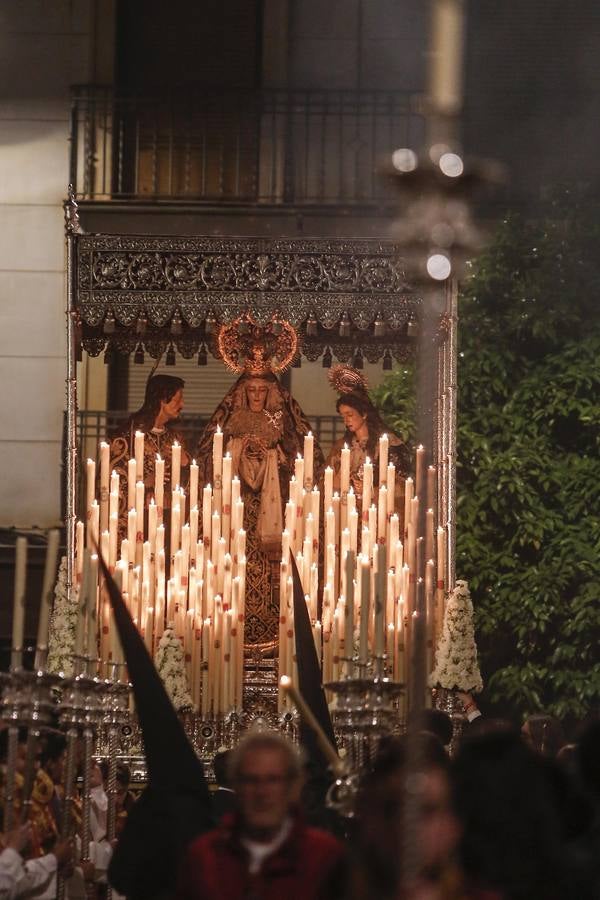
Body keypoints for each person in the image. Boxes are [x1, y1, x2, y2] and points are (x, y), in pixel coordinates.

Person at [197, 369, 323, 647]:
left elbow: (300, 457)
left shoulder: (281, 421)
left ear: (271, 393)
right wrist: (238, 449)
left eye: (261, 390)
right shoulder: (231, 420)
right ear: (242, 392)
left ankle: (272, 626)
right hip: (238, 506)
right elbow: (210, 457)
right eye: (251, 390)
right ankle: (232, 622)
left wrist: (275, 456)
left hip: (272, 506)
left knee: (272, 567)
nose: (256, 396)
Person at [176, 730, 344, 900]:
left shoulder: (324, 856)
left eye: (273, 780)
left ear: (293, 787)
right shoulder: (204, 856)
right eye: (251, 780)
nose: (262, 792)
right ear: (236, 785)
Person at [109, 374, 189, 536]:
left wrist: (185, 464)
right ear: (162, 399)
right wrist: (143, 482)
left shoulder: (175, 437)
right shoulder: (127, 436)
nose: (182, 404)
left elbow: (190, 480)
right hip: (137, 518)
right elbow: (112, 474)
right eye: (178, 399)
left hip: (168, 518)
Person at [326, 366, 411, 517]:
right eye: (342, 416)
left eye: (350, 414)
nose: (346, 420)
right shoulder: (342, 446)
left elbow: (402, 484)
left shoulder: (389, 444)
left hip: (377, 513)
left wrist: (372, 490)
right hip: (346, 512)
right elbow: (327, 480)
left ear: (364, 414)